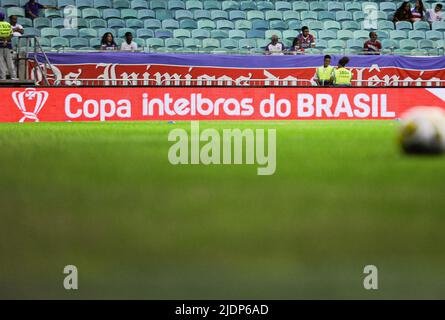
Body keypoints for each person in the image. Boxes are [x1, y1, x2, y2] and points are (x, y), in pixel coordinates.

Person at [0, 12, 17, 80]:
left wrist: (3, 40)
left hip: (0, 45)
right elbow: (11, 34)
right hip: (8, 45)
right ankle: (14, 77)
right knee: (10, 61)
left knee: (1, 63)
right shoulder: (8, 24)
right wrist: (6, 40)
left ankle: (3, 78)